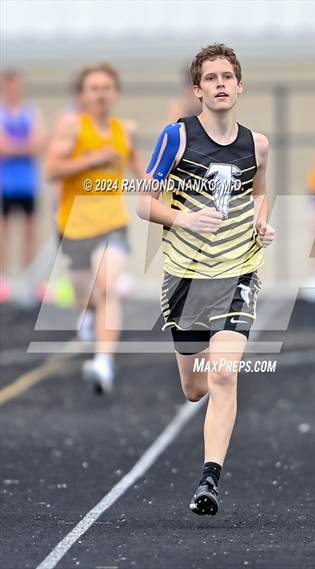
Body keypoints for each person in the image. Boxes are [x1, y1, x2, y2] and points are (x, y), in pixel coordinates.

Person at [137, 44, 275, 515]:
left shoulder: (257, 144)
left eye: (227, 77)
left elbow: (259, 192)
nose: (220, 84)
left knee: (224, 373)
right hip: (186, 277)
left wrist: (261, 222)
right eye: (210, 78)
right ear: (198, 90)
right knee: (194, 387)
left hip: (237, 270)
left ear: (239, 86)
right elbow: (142, 202)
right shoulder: (175, 138)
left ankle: (209, 480)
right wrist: (182, 219)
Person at [45, 63, 145, 393]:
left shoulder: (125, 130)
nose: (101, 93)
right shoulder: (72, 127)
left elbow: (144, 172)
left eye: (106, 87)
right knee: (87, 295)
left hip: (112, 224)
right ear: (84, 95)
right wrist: (91, 159)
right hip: (74, 227)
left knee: (108, 287)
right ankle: (87, 315)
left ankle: (103, 363)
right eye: (94, 88)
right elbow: (52, 170)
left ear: (115, 93)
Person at [0, 70, 45, 298]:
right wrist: (23, 147)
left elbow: (38, 144)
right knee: (4, 232)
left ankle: (30, 279)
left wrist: (15, 147)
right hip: (5, 184)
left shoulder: (31, 113)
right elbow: (3, 147)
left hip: (28, 184)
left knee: (29, 232)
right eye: (10, 86)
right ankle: (3, 279)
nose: (14, 90)